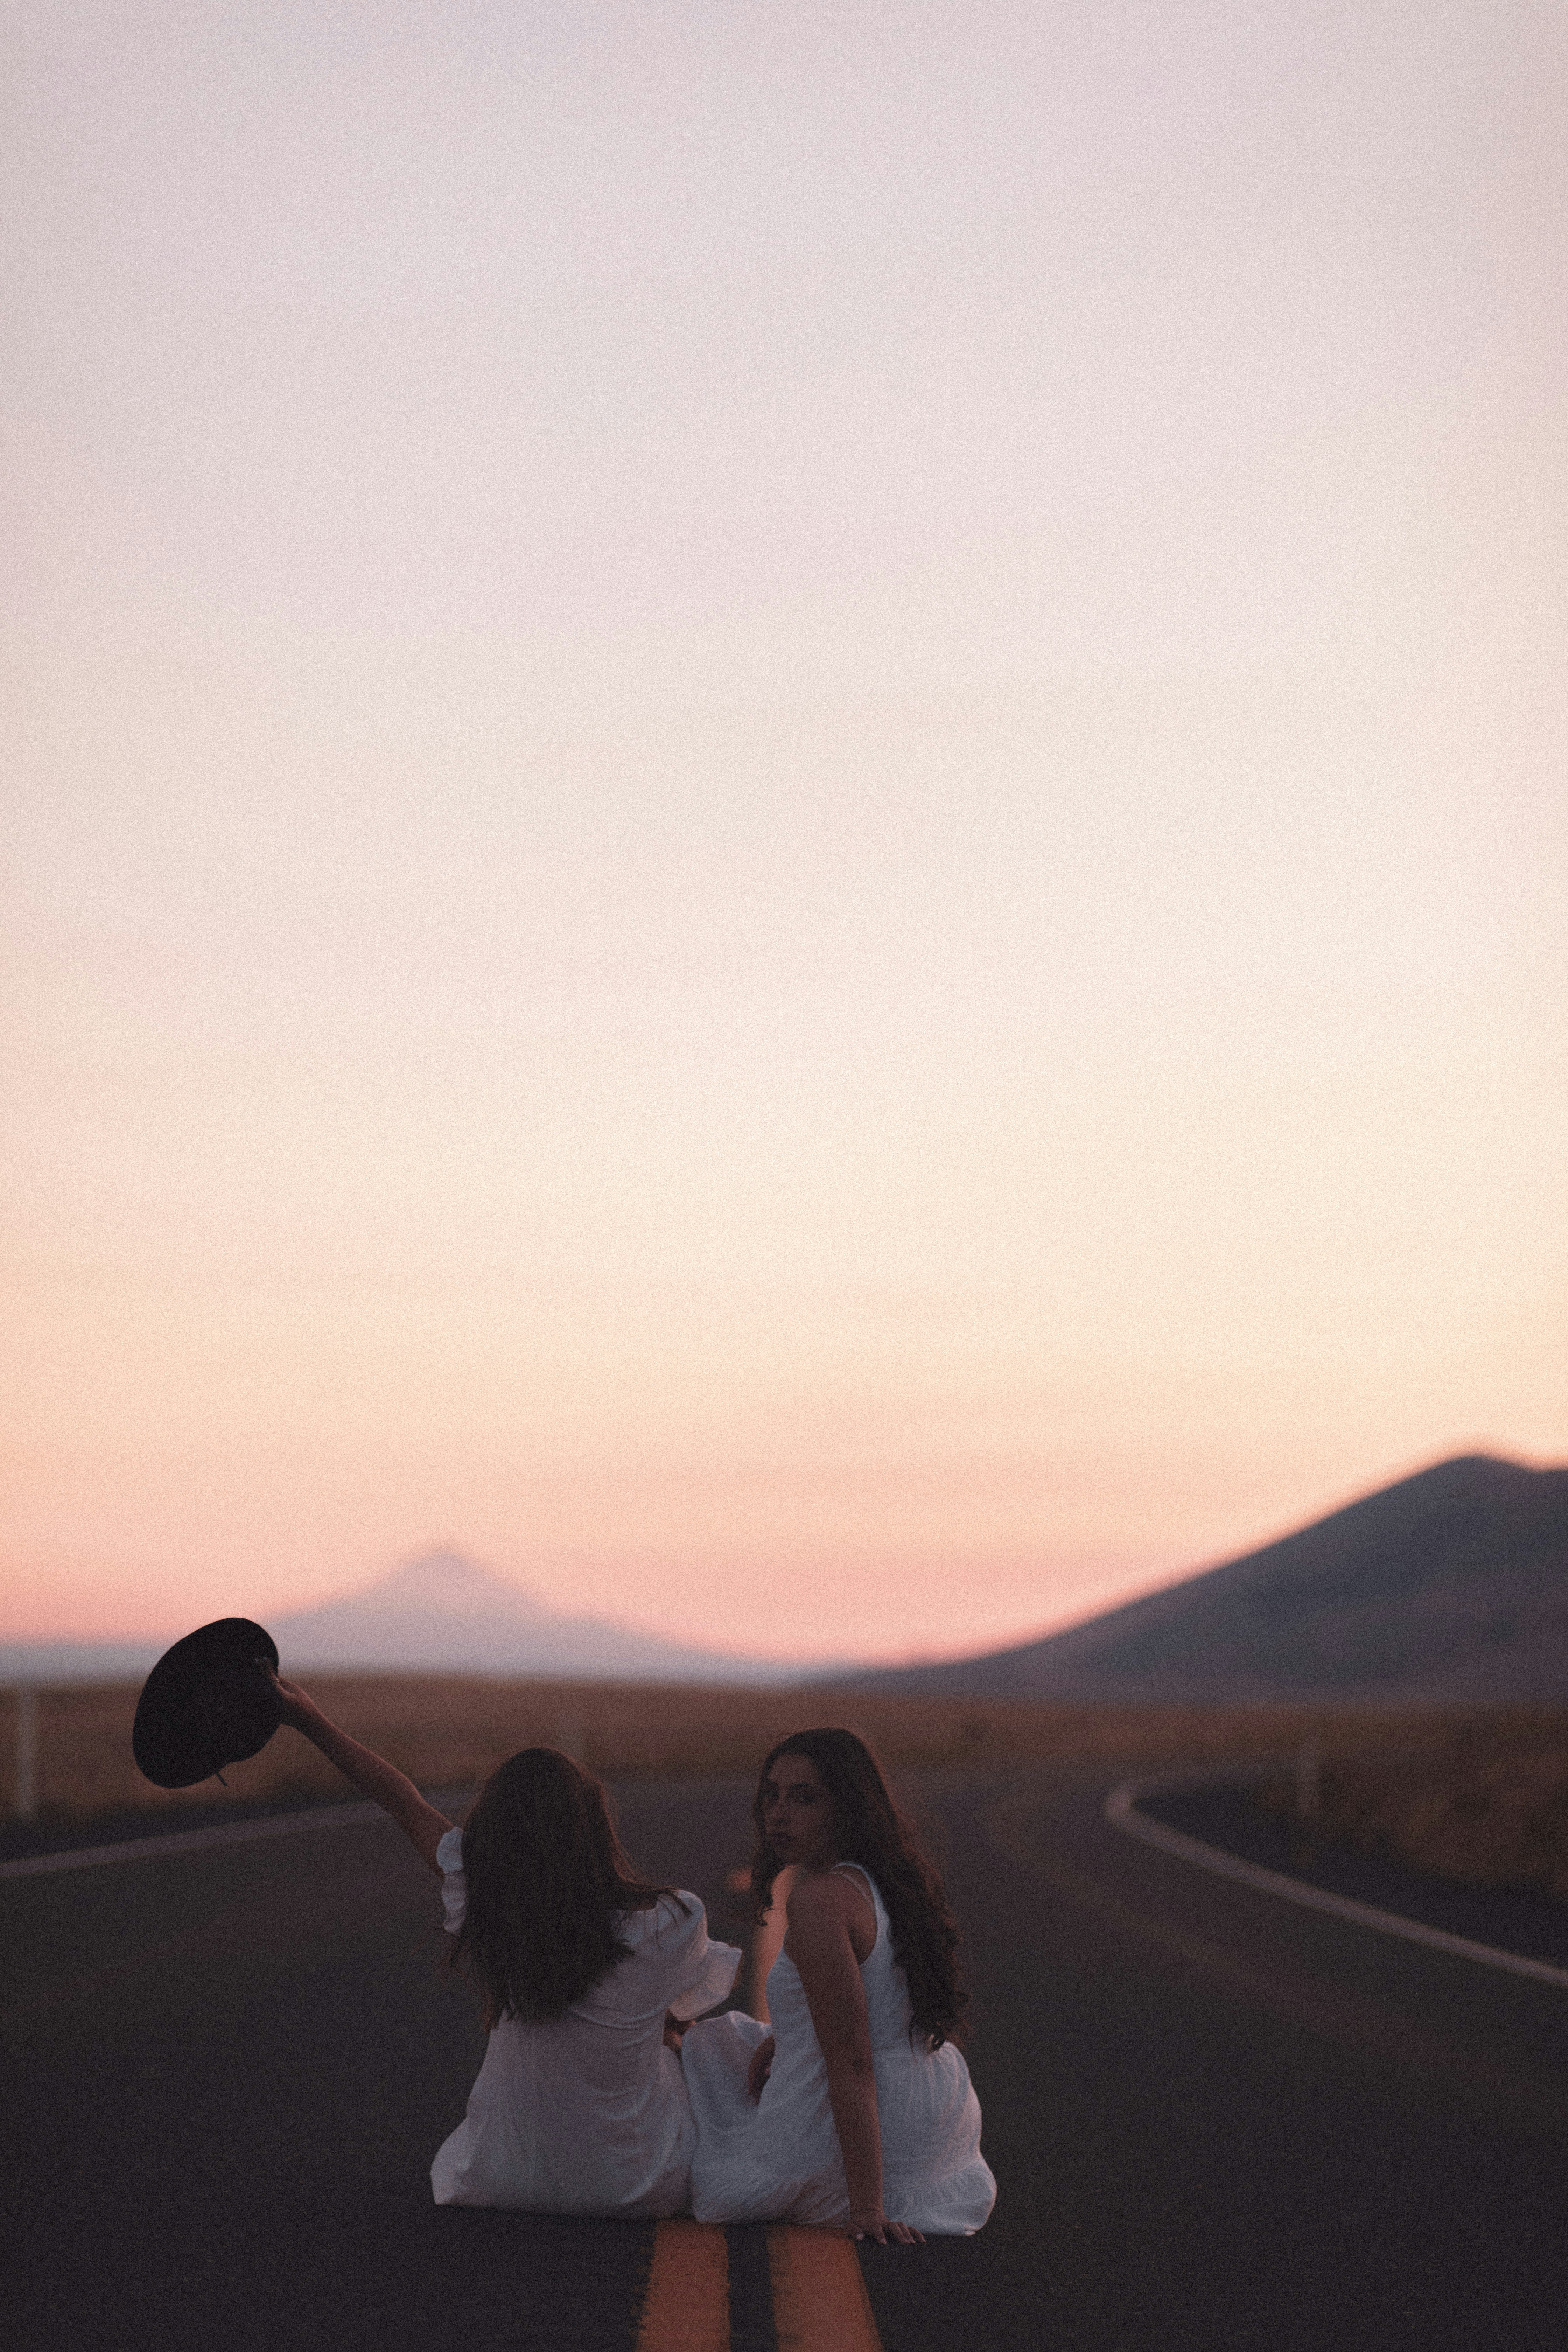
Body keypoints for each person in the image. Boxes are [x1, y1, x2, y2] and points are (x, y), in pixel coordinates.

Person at [266, 1675, 740, 2216]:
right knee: (720, 2046)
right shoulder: (672, 1920)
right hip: (632, 2186)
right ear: (596, 1826)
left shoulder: (490, 1902)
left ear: (493, 1826)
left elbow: (400, 1799)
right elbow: (672, 2017)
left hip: (500, 2179)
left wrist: (309, 1722)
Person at [681, 1727, 996, 2241]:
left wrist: (867, 2207)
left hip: (866, 2129)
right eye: (772, 1795)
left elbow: (851, 2060)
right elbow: (878, 2004)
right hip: (934, 2120)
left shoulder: (820, 1902)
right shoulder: (887, 1882)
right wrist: (788, 2038)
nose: (779, 1814)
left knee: (697, 2061)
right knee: (734, 2044)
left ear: (848, 1808)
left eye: (805, 1798)